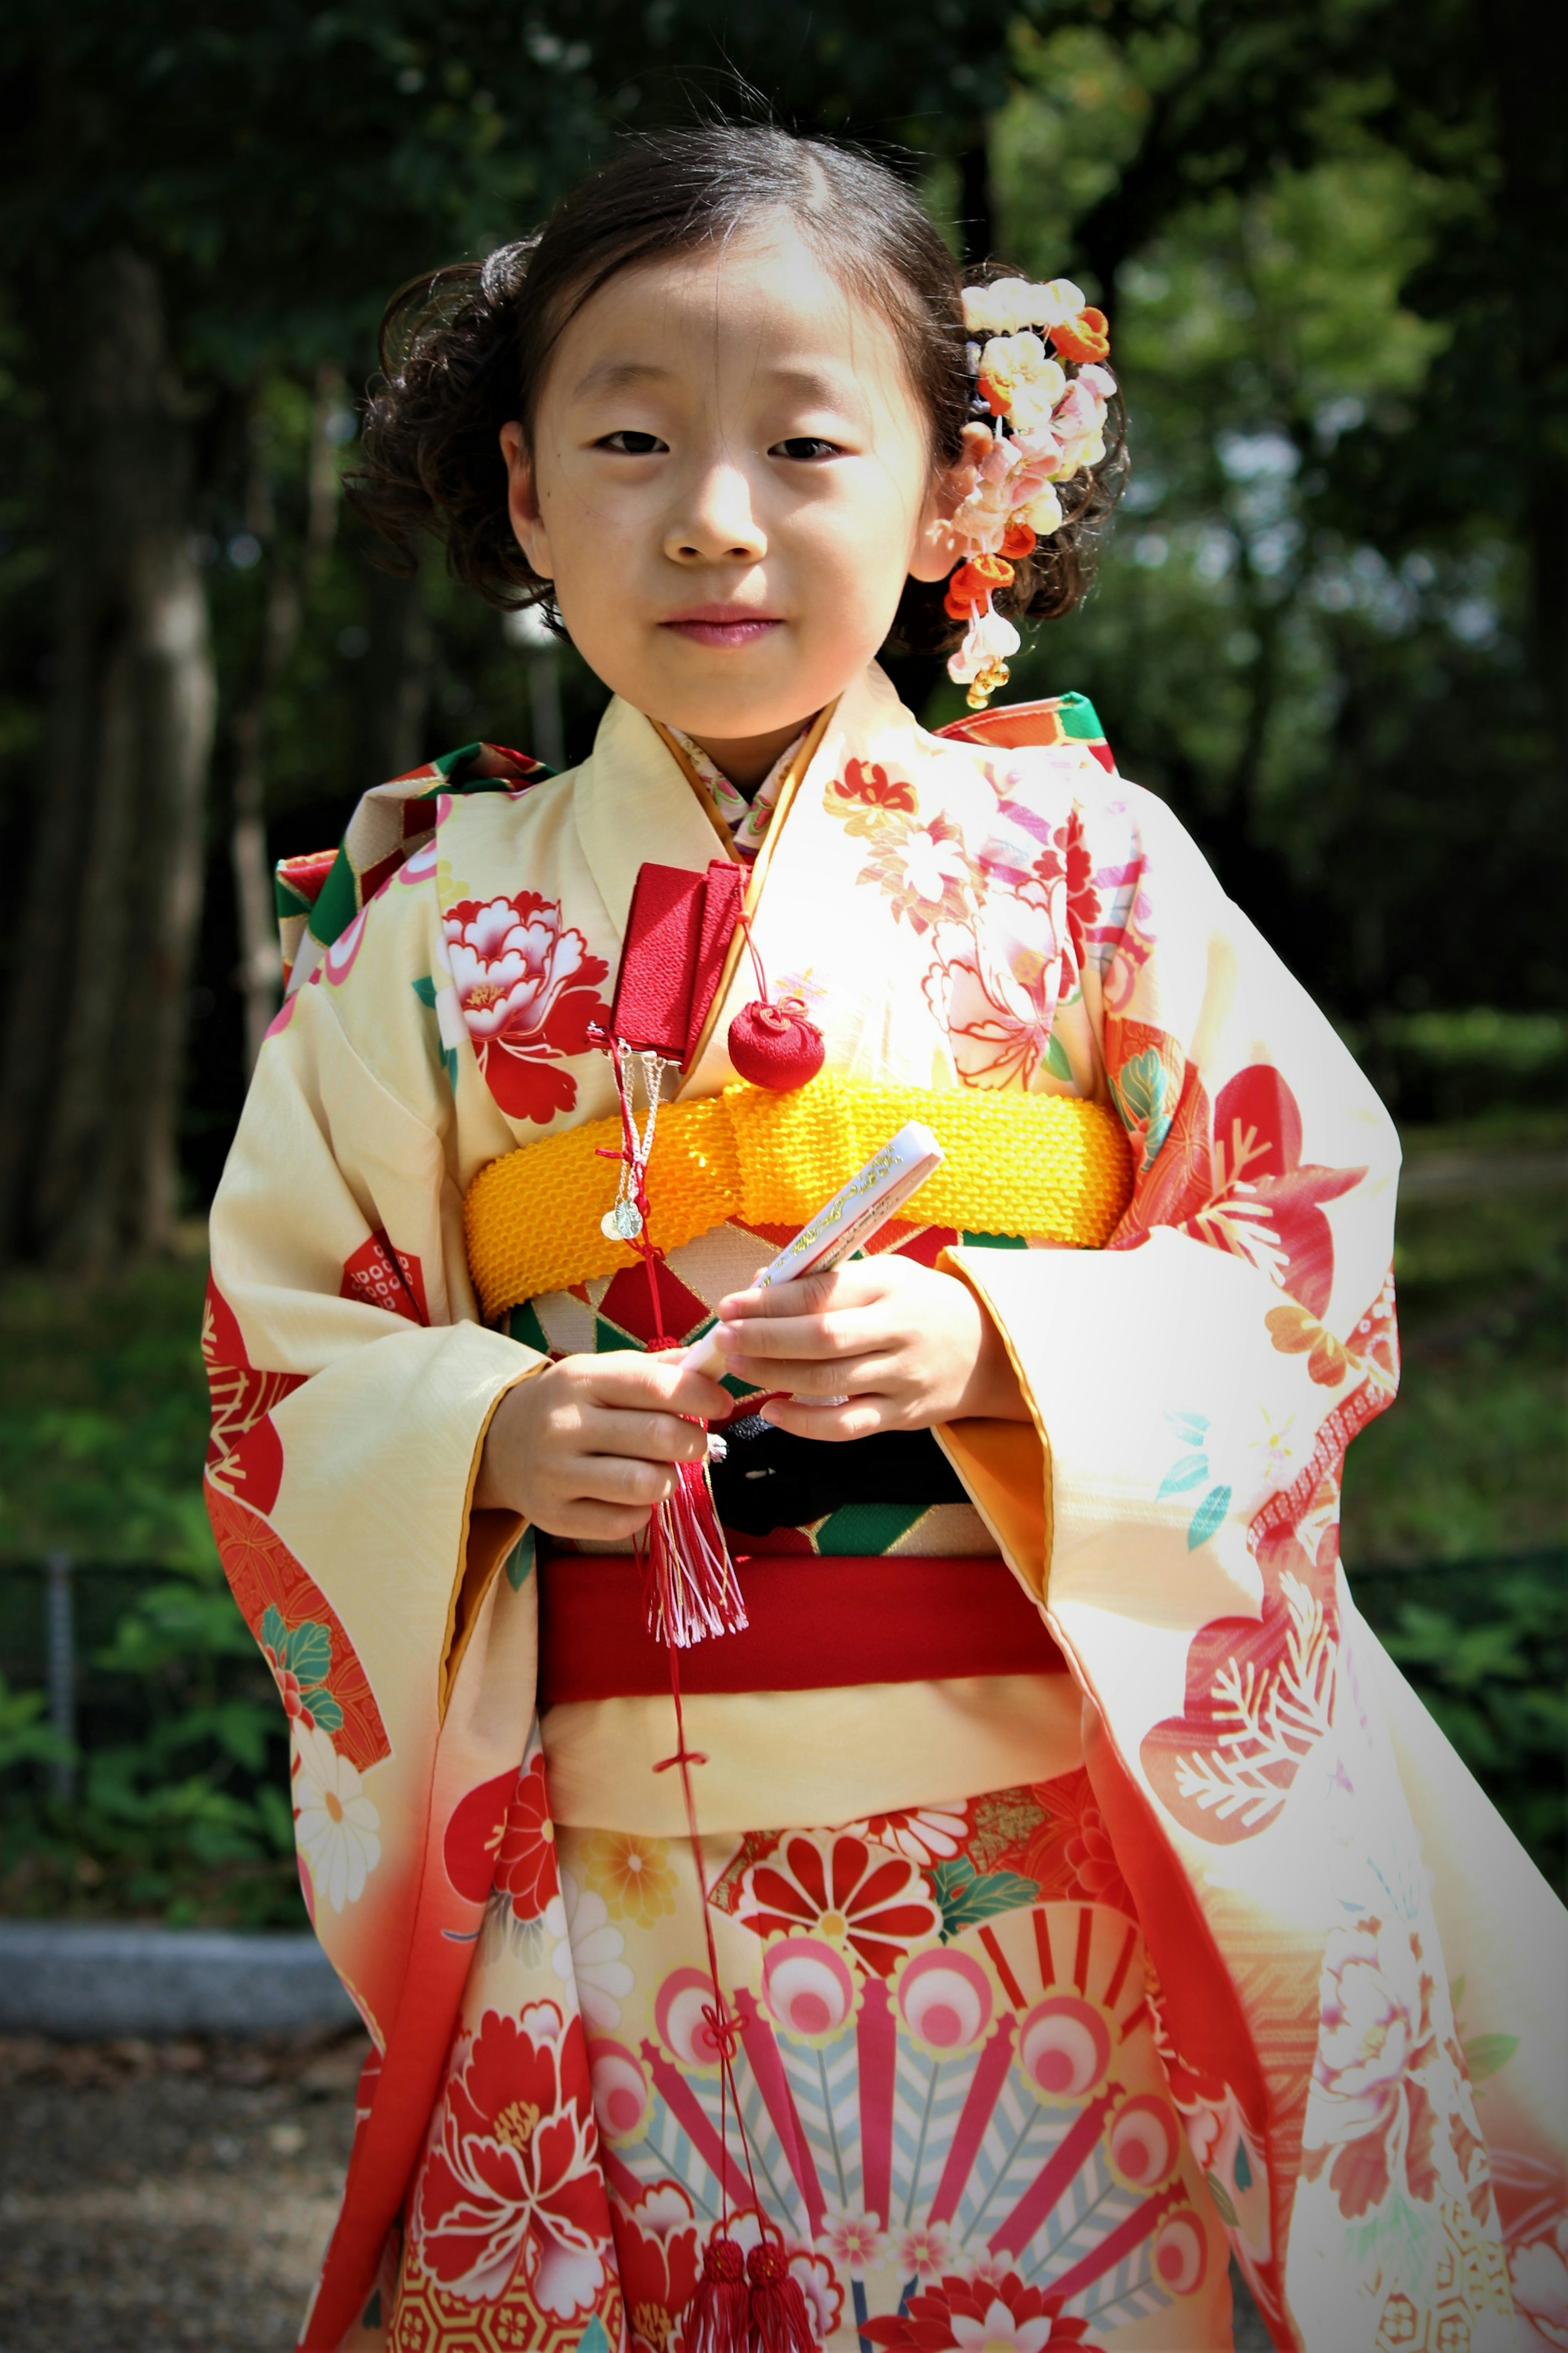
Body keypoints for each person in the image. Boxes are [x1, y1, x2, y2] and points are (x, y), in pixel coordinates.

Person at [204, 125, 1565, 2353]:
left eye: (806, 443)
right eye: (630, 439)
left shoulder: (1092, 862)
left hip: (1049, 1873)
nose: (714, 513)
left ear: (952, 496)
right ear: (530, 500)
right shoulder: (427, 927)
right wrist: (486, 1422)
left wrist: (1001, 1344)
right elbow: (281, 1347)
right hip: (609, 1885)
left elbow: (1307, 1254)